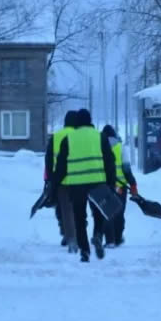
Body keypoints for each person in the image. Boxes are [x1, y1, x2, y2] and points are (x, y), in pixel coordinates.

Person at [53, 109, 117, 262]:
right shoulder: (100, 137)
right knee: (99, 212)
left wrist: (54, 185)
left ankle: (85, 251)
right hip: (97, 181)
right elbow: (110, 162)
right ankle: (97, 235)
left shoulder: (68, 139)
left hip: (77, 184)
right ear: (90, 121)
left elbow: (61, 166)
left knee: (79, 219)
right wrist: (111, 184)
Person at [45, 110, 78, 250]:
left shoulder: (56, 136)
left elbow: (48, 159)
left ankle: (70, 236)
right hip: (79, 178)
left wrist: (50, 178)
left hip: (60, 180)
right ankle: (75, 235)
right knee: (78, 209)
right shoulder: (79, 136)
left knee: (65, 209)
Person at [99, 124, 137, 248]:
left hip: (104, 186)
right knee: (119, 212)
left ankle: (110, 240)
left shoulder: (98, 147)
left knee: (107, 212)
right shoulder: (120, 147)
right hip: (120, 187)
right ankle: (118, 237)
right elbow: (126, 169)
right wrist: (132, 184)